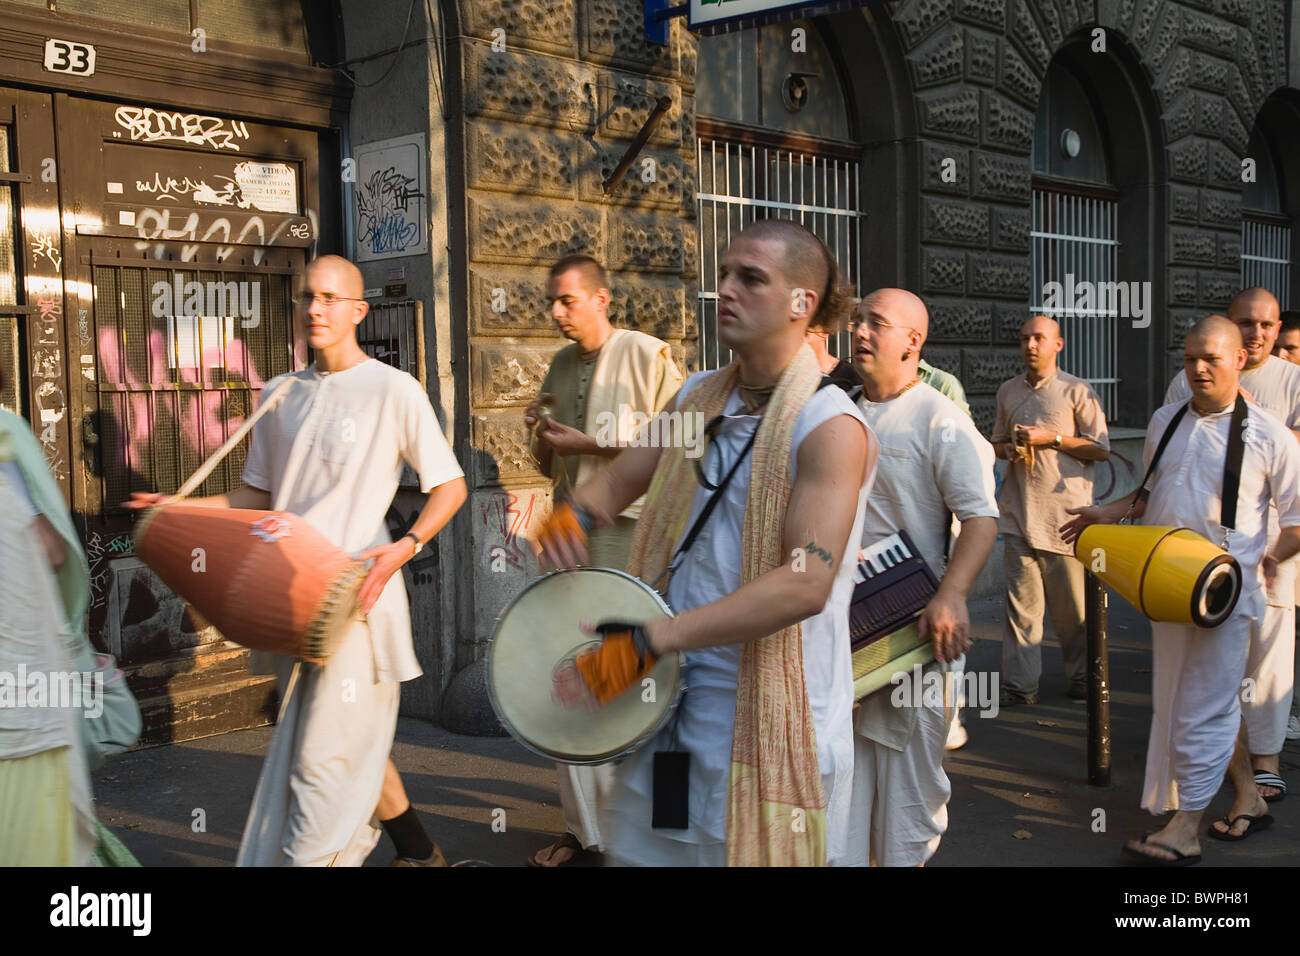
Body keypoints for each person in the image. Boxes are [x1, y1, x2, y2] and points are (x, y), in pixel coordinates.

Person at [536, 219, 875, 865]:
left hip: (767, 721)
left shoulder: (828, 425)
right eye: (723, 274)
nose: (725, 289)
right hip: (671, 715)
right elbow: (619, 482)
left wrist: (650, 640)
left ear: (803, 304)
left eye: (750, 278)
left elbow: (805, 582)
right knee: (656, 848)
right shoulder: (700, 400)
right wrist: (573, 517)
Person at [128, 255, 467, 866]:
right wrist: (176, 510)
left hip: (357, 598)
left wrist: (404, 546)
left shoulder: (395, 390)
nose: (316, 308)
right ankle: (421, 854)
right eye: (308, 296)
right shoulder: (278, 392)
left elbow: (450, 486)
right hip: (287, 601)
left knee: (320, 763)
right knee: (337, 744)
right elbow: (255, 498)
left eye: (332, 298)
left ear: (359, 310)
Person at [1063, 316, 1300, 863]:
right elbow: (1151, 497)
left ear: (1239, 361)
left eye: (1211, 359)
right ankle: (1248, 798)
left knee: (1203, 710)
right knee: (1186, 702)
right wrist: (1104, 512)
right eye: (1190, 358)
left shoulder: (1270, 436)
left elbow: (1295, 522)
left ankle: (1185, 825)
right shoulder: (1166, 420)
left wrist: (1268, 560)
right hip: (1167, 591)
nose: (1197, 369)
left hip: (1225, 599)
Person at [522, 255, 682, 866]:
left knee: (639, 678)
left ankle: (653, 829)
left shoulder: (648, 355)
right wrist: (540, 435)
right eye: (552, 302)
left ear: (601, 298)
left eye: (567, 300)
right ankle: (583, 830)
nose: (557, 313)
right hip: (572, 540)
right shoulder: (559, 366)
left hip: (636, 539)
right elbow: (553, 467)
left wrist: (591, 443)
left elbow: (685, 441)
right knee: (571, 672)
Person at [843, 289, 998, 866]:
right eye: (857, 321)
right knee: (844, 793)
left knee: (909, 800)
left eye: (875, 324)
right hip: (843, 632)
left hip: (915, 635)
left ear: (913, 341)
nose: (859, 332)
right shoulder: (841, 412)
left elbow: (981, 518)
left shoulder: (940, 417)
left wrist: (953, 597)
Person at [1163, 288, 1300, 803]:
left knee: (1266, 656)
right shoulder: (1192, 374)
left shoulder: (1293, 381)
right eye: (1246, 322)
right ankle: (1214, 761)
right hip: (1201, 545)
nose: (1258, 332)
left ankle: (1264, 761)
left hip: (1274, 540)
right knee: (1205, 660)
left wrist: (1254, 434)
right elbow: (1178, 440)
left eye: (1268, 325)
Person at [991, 316, 1109, 705]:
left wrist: (1052, 439)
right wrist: (1010, 449)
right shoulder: (1007, 391)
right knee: (1022, 612)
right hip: (1019, 513)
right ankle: (1019, 688)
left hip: (1066, 518)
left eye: (1039, 338)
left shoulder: (1077, 391)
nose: (1031, 345)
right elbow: (995, 444)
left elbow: (1100, 449)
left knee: (1071, 615)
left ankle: (1083, 680)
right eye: (1025, 338)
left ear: (1058, 345)